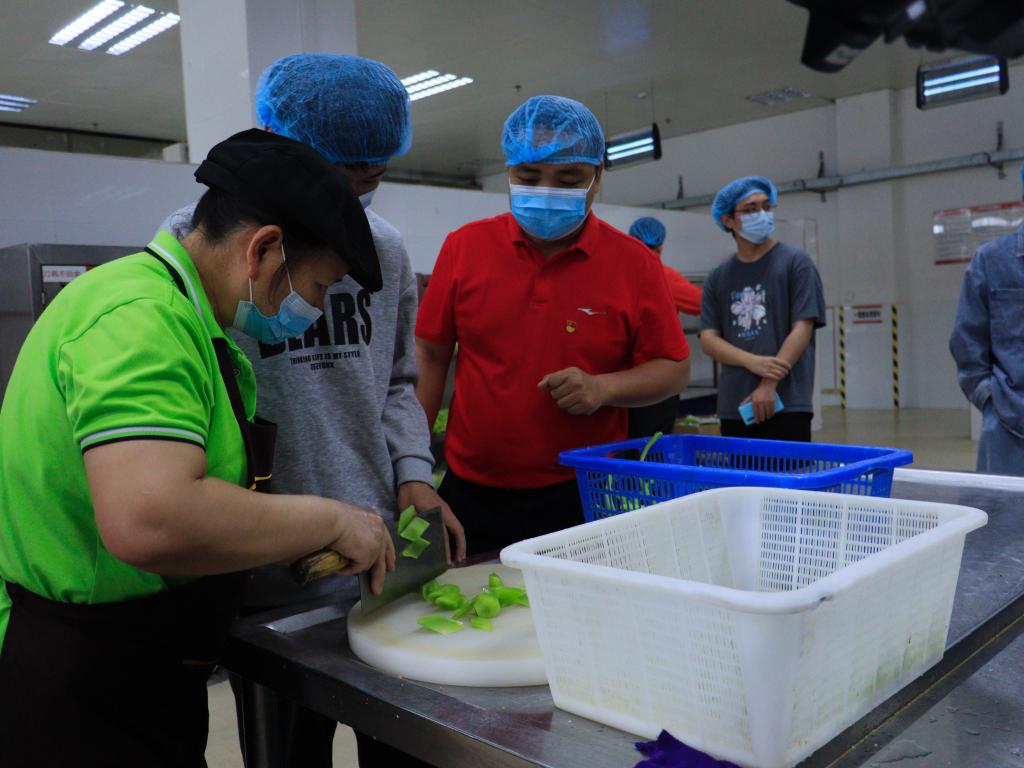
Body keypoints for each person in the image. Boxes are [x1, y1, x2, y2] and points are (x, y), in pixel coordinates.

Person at [0, 129, 394, 768]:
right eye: (319, 287)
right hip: (80, 681)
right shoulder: (140, 319)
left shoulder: (181, 315)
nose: (315, 309)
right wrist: (333, 520)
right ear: (263, 249)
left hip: (135, 663)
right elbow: (151, 518)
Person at [160, 53, 460, 768]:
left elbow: (397, 378)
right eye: (339, 174)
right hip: (263, 562)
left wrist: (413, 475)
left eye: (371, 178)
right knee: (286, 749)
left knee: (404, 743)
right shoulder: (200, 249)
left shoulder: (382, 249)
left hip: (375, 548)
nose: (353, 196)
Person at [416, 95, 691, 557]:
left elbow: (674, 369)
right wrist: (413, 464)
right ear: (508, 172)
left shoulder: (634, 264)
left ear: (597, 176)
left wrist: (604, 388)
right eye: (528, 178)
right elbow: (430, 355)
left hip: (584, 490)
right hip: (470, 488)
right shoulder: (464, 248)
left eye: (568, 179)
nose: (545, 192)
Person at [699, 175, 825, 441]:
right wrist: (751, 361)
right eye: (750, 209)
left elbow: (803, 328)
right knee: (741, 470)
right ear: (728, 220)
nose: (762, 215)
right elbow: (709, 339)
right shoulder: (718, 277)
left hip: (786, 403)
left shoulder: (796, 263)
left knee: (787, 469)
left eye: (766, 207)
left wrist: (769, 382)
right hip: (735, 406)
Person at [950, 167, 1024, 475]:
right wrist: (991, 402)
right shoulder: (992, 261)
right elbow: (967, 343)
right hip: (1010, 430)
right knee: (1006, 508)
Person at [627, 215, 703, 437]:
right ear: (661, 246)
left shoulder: (615, 274)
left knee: (623, 447)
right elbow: (703, 303)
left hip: (619, 382)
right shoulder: (663, 275)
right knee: (653, 448)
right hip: (657, 380)